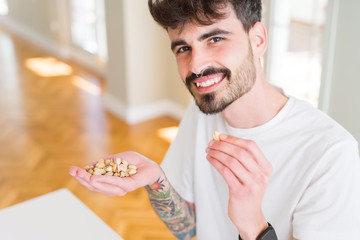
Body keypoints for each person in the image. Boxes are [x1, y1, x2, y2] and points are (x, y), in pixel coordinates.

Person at [69, 0, 360, 239]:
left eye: (215, 38)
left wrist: (253, 223)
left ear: (257, 40)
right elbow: (187, 229)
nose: (196, 65)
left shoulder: (333, 155)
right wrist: (155, 180)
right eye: (183, 48)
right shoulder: (204, 111)